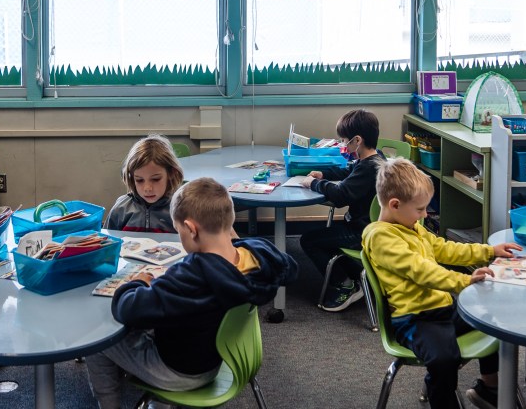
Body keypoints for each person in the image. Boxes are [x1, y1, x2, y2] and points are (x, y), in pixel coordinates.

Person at [87, 177, 298, 409]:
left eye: (179, 231)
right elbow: (290, 268)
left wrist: (134, 284)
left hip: (179, 373)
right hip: (218, 359)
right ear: (230, 221)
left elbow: (128, 309)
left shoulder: (191, 277)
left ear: (190, 229)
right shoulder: (258, 258)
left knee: (99, 341)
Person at [362, 158, 522, 409]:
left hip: (441, 309)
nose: (425, 215)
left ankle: (488, 389)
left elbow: (445, 249)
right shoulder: (382, 238)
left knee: (492, 322)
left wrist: (489, 251)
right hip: (415, 319)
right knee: (444, 360)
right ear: (395, 204)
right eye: (420, 209)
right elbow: (422, 271)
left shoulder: (412, 226)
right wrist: (463, 281)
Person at [299, 108, 385, 311]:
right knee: (325, 237)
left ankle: (346, 285)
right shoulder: (375, 158)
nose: (344, 145)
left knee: (309, 240)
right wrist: (323, 173)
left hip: (361, 232)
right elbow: (348, 170)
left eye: (345, 140)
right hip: (367, 226)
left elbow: (340, 196)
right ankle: (356, 274)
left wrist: (313, 184)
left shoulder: (368, 168)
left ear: (357, 140)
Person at [105, 134, 184, 233]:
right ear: (131, 177)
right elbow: (108, 242)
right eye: (139, 180)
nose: (147, 188)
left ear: (171, 173)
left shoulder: (180, 210)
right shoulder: (121, 209)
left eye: (155, 179)